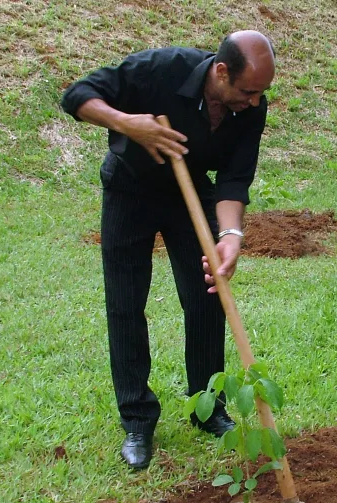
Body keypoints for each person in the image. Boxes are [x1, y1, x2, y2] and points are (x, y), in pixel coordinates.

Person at [60, 31, 275, 470]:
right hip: (129, 187)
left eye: (260, 94)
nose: (253, 102)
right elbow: (77, 95)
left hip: (191, 192)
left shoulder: (251, 107)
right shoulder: (160, 70)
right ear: (220, 72)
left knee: (207, 293)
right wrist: (128, 124)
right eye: (247, 91)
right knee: (125, 301)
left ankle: (206, 406)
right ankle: (137, 420)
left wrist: (230, 236)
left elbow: (235, 178)